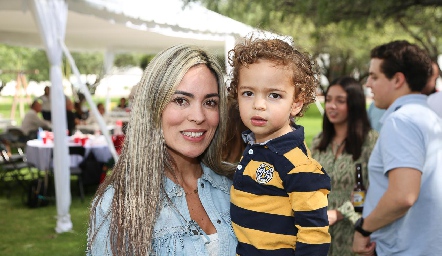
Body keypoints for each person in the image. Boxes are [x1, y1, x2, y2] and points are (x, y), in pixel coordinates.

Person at [87, 45, 237, 255]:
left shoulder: (235, 186)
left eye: (210, 102)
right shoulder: (120, 204)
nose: (199, 116)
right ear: (153, 106)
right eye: (181, 100)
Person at [228, 36, 331, 255]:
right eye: (248, 93)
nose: (258, 105)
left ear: (296, 103)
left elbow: (315, 235)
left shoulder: (297, 165)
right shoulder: (254, 147)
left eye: (274, 95)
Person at [352, 40, 442, 256]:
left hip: (405, 248)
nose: (368, 84)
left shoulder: (401, 120)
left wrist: (363, 228)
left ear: (398, 80)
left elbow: (403, 195)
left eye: (374, 77)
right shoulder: (429, 116)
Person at [311, 76, 378, 256]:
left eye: (340, 101)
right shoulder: (319, 141)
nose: (331, 106)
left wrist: (339, 213)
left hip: (354, 228)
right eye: (329, 100)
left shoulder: (371, 142)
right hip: (318, 228)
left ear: (354, 104)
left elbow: (375, 188)